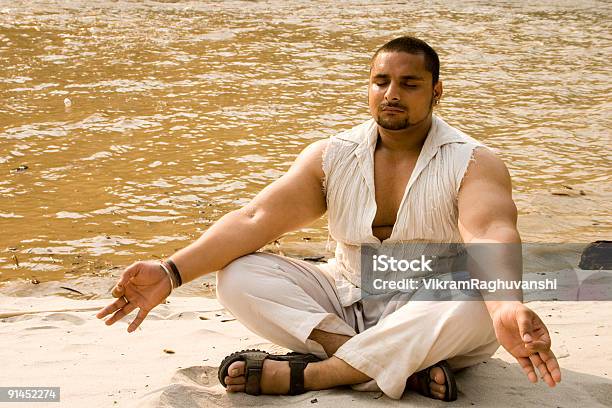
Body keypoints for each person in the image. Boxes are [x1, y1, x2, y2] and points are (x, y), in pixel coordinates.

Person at [96, 36, 561, 401]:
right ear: (369, 86)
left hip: (430, 310)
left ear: (436, 91)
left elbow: (488, 232)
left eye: (409, 83)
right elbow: (257, 217)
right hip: (347, 303)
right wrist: (170, 271)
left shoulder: (474, 160)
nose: (392, 94)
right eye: (381, 82)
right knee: (238, 275)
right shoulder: (332, 156)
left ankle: (316, 374)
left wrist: (506, 307)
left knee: (473, 293)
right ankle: (391, 364)